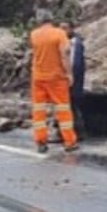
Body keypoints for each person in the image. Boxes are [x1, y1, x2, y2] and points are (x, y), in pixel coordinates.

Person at [28, 12, 78, 153]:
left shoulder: (34, 34)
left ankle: (41, 141)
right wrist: (69, 73)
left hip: (38, 77)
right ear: (52, 19)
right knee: (63, 109)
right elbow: (65, 54)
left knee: (39, 110)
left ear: (39, 21)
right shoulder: (59, 33)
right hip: (56, 78)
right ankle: (69, 141)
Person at [62, 21, 86, 140]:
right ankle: (69, 133)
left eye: (65, 28)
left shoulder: (76, 43)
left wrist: (70, 77)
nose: (63, 31)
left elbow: (76, 64)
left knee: (72, 106)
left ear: (72, 29)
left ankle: (78, 133)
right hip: (66, 79)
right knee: (67, 107)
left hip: (73, 80)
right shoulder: (63, 42)